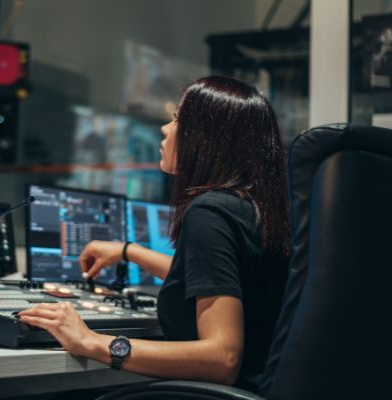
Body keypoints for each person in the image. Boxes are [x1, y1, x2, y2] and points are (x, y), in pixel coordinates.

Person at [18, 76, 291, 394]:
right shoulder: (253, 208)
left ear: (206, 137)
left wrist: (92, 341)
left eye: (177, 119)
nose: (164, 129)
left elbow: (222, 358)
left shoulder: (209, 212)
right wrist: (128, 251)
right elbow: (214, 278)